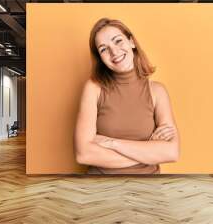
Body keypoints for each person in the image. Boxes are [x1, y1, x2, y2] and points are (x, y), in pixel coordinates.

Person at [73, 18, 180, 174]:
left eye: (118, 41)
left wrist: (112, 143)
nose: (114, 52)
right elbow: (84, 155)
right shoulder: (93, 88)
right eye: (103, 49)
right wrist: (149, 152)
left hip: (148, 187)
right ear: (100, 58)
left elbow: (172, 152)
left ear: (131, 42)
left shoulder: (157, 91)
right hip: (100, 189)